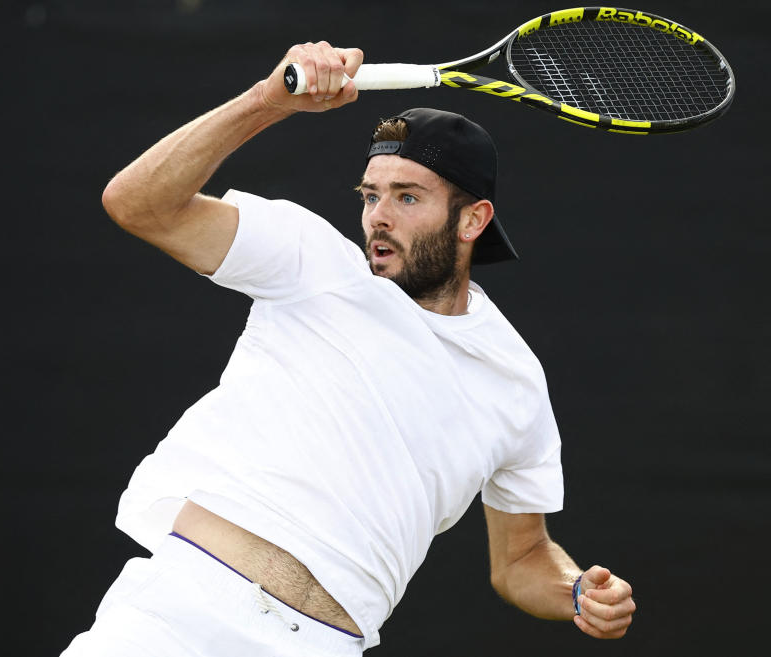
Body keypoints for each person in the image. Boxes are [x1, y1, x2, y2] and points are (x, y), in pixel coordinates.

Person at [62, 41, 636, 657]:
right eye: (370, 195)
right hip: (179, 619)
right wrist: (268, 102)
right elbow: (138, 204)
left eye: (407, 197)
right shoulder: (310, 260)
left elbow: (521, 556)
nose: (377, 217)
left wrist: (575, 589)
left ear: (473, 221)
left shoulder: (515, 377)